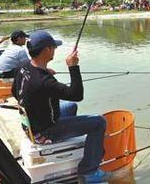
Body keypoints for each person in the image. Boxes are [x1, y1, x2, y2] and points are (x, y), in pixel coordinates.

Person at [12, 31, 110, 183]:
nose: (55, 50)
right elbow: (77, 94)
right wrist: (73, 67)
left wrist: (44, 73)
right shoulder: (44, 82)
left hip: (30, 124)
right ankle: (89, 172)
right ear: (46, 50)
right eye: (54, 47)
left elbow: (15, 91)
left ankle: (85, 145)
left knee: (70, 106)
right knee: (99, 123)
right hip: (45, 131)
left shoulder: (23, 66)